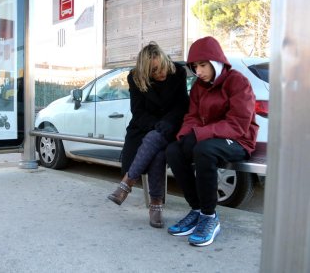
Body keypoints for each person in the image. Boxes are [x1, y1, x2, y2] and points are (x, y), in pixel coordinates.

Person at [165, 36, 259, 246]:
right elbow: (193, 116)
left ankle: (209, 216)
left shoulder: (237, 81)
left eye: (202, 65)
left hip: (239, 140)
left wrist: (199, 134)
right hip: (210, 137)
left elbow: (237, 124)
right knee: (173, 150)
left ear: (216, 62)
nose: (198, 71)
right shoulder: (199, 86)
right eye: (194, 66)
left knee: (204, 150)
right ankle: (196, 209)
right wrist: (184, 136)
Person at [107, 41, 189, 228]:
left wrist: (167, 123)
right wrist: (154, 124)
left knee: (156, 140)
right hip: (144, 126)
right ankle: (156, 205)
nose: (160, 73)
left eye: (161, 68)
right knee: (156, 150)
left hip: (172, 124)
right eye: (153, 71)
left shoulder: (177, 72)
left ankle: (126, 184)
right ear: (144, 72)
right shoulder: (135, 78)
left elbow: (182, 105)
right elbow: (138, 111)